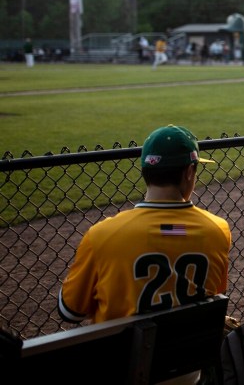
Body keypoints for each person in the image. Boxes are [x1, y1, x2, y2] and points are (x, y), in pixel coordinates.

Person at [58, 125, 232, 383]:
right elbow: (212, 297)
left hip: (120, 368)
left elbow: (70, 311)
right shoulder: (216, 230)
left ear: (145, 172)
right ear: (188, 172)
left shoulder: (103, 235)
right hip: (184, 372)